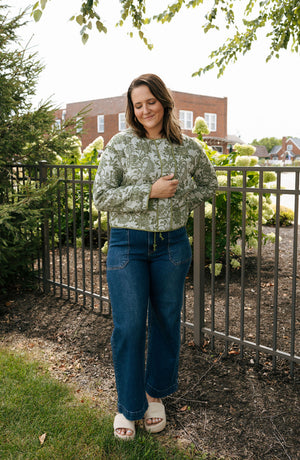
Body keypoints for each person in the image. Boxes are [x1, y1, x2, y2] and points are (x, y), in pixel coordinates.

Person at [93, 74, 218, 440]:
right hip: (128, 246)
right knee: (129, 326)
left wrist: (177, 194)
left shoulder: (189, 148)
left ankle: (154, 396)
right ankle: (128, 406)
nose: (145, 109)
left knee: (166, 322)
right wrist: (150, 191)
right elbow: (102, 196)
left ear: (164, 101)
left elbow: (209, 184)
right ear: (132, 109)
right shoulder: (120, 144)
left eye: (150, 101)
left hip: (172, 247)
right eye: (137, 104)